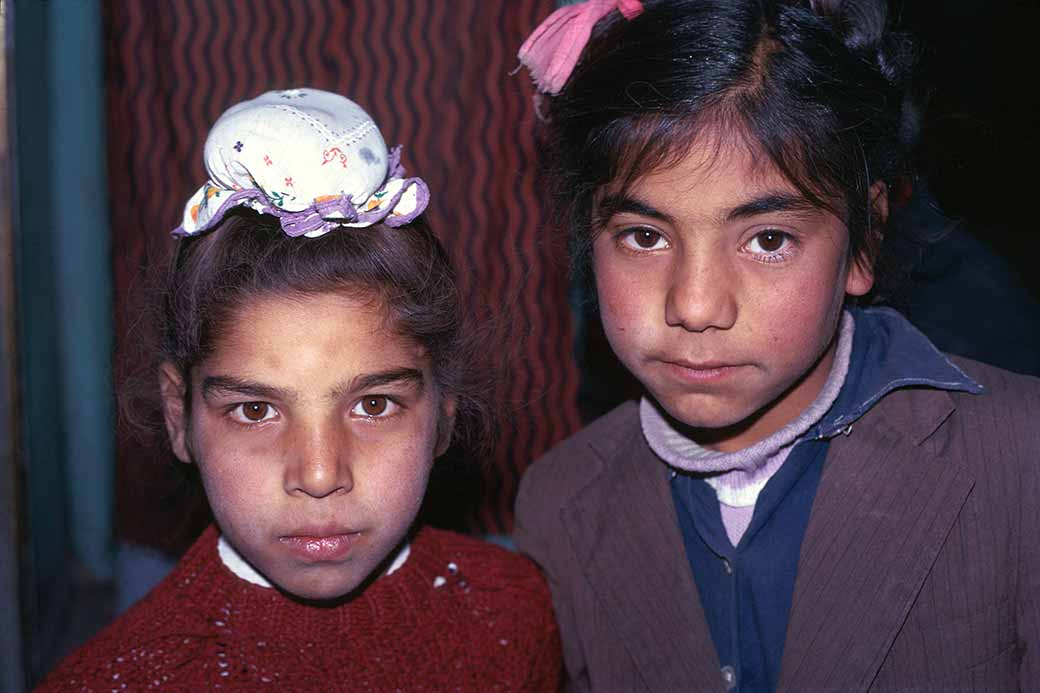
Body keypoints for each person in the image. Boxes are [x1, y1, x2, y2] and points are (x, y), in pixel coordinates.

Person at [512, 1, 1040, 690]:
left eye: (767, 240)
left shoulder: (1020, 461)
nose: (695, 306)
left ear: (864, 239)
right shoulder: (557, 505)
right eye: (645, 236)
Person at [40, 89, 560, 690]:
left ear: (443, 414)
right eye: (256, 409)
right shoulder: (109, 681)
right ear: (179, 417)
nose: (318, 475)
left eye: (373, 405)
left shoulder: (515, 614)